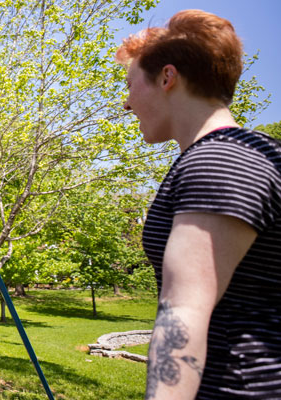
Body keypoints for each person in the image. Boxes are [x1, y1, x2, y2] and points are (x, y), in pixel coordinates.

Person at [116, 10, 281, 399]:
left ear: (167, 78)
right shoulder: (253, 153)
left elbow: (183, 315)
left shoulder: (219, 162)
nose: (126, 104)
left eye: (130, 86)